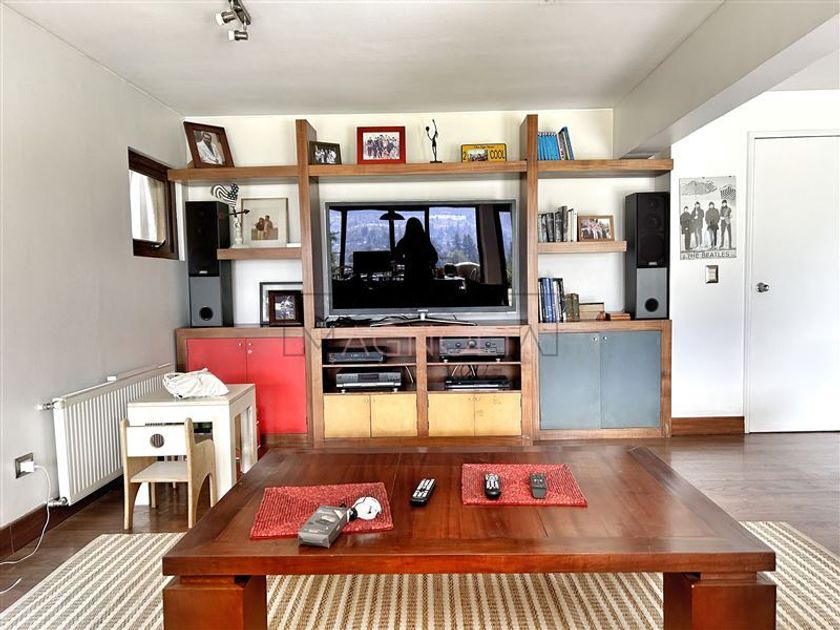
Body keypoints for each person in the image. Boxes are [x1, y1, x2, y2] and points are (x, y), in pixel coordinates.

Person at [393, 217, 438, 298]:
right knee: (426, 299)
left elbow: (396, 257)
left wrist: (407, 261)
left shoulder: (404, 241)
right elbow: (435, 257)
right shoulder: (425, 241)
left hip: (410, 274)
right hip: (425, 274)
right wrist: (427, 262)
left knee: (412, 298)